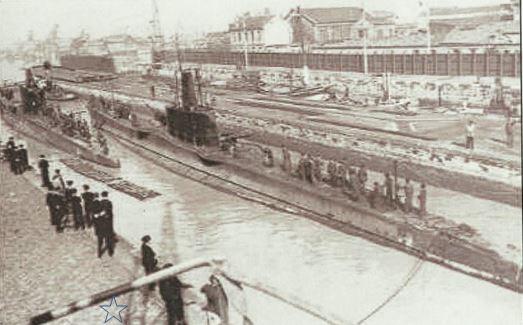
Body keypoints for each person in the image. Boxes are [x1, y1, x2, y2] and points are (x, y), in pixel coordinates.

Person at [99, 191, 115, 257]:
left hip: (102, 224)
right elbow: (110, 213)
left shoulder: (99, 203)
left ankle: (99, 253)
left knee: (101, 239)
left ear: (102, 196)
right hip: (108, 224)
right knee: (109, 239)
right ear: (107, 195)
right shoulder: (109, 203)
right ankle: (110, 252)